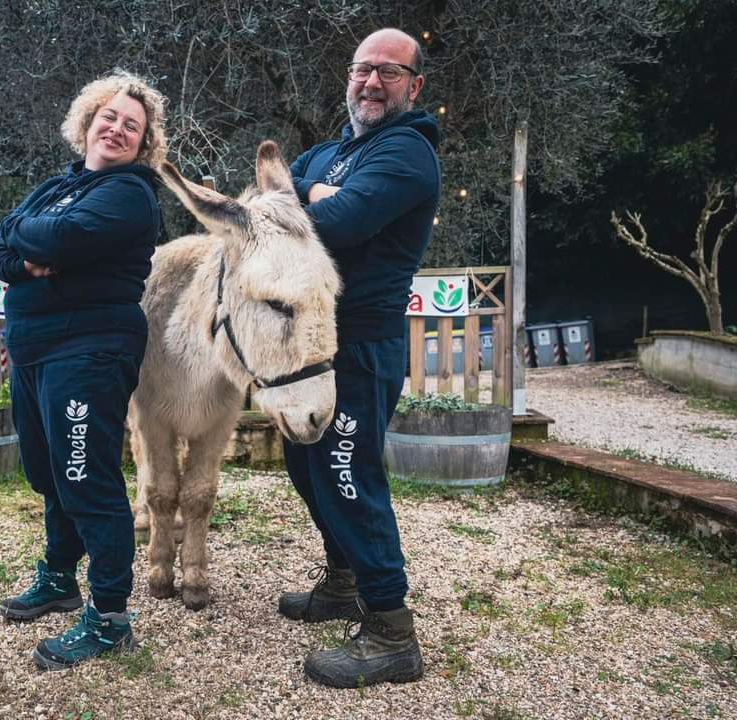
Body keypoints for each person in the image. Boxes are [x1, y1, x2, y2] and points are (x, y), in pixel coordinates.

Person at [0, 71, 167, 671]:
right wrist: (21, 244)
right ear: (88, 122)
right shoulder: (55, 186)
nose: (117, 129)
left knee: (86, 476)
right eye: (109, 117)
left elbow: (58, 238)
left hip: (90, 348)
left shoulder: (132, 193)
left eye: (131, 126)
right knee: (48, 471)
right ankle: (59, 578)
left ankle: (111, 616)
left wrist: (27, 237)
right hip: (33, 349)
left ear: (143, 144)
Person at [280, 28, 441, 688]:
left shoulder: (409, 152)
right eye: (362, 70)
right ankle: (343, 581)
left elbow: (339, 224)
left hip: (361, 345)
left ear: (415, 86)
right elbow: (272, 198)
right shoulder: (328, 152)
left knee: (348, 472)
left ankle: (390, 631)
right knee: (305, 464)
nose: (372, 82)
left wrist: (315, 201)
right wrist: (316, 197)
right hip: (308, 345)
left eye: (389, 72)